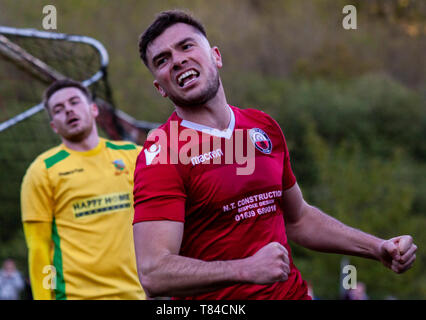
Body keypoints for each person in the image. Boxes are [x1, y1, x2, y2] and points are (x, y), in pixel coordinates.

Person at [132, 10, 418, 300]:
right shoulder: (162, 154)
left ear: (216, 56)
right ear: (160, 88)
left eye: (186, 46)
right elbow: (154, 273)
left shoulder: (262, 126)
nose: (178, 60)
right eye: (162, 60)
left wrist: (377, 247)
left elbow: (299, 219)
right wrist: (244, 270)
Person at [20, 79, 145, 300]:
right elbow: (38, 248)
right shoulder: (42, 170)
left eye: (74, 102)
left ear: (94, 109)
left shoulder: (133, 156)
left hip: (135, 294)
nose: (68, 110)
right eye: (58, 109)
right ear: (53, 126)